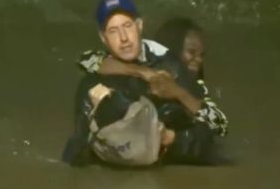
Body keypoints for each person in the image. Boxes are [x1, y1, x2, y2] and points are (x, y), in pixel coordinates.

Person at [62, 0, 225, 167]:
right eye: (113, 31)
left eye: (127, 26)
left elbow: (217, 124)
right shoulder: (94, 78)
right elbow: (75, 152)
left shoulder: (168, 65)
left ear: (139, 25)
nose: (123, 38)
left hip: (171, 156)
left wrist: (177, 94)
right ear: (103, 38)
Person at [78, 13, 227, 136]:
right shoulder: (147, 60)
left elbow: (220, 126)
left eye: (202, 55)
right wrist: (142, 72)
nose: (198, 61)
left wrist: (178, 93)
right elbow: (86, 60)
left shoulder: (194, 83)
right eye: (192, 53)